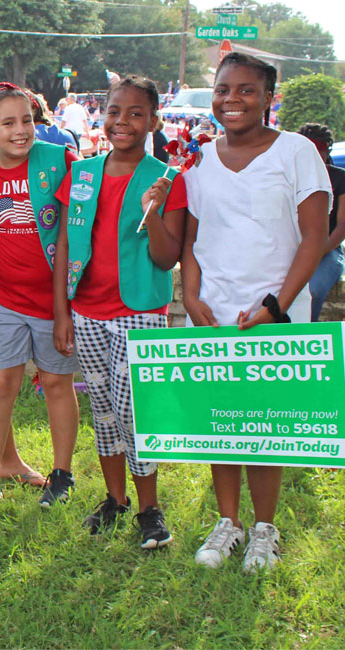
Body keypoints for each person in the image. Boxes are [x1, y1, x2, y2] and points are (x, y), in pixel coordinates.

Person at [183, 53, 330, 573]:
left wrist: (276, 306)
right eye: (223, 89)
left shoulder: (296, 152)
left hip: (275, 314)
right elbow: (192, 237)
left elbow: (314, 237)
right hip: (214, 313)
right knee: (221, 423)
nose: (232, 99)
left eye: (246, 90)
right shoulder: (201, 158)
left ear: (269, 97)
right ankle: (228, 522)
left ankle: (265, 528)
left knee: (266, 424)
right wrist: (192, 298)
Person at [52, 75, 187, 548]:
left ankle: (150, 507)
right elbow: (65, 243)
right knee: (103, 409)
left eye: (135, 113)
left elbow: (166, 257)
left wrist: (154, 212)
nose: (122, 121)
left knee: (133, 412)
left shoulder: (166, 178)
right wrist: (62, 311)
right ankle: (116, 499)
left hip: (139, 309)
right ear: (102, 116)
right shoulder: (82, 172)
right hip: (86, 309)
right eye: (114, 111)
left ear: (154, 121)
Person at [0, 83, 79, 510]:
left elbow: (77, 226)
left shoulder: (60, 161)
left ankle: (62, 475)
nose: (20, 130)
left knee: (56, 383)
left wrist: (65, 308)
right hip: (1, 296)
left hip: (53, 300)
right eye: (8, 123)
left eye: (27, 120)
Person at [297, 123, 345, 321]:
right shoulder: (290, 177)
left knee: (314, 290)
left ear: (326, 152)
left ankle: (307, 333)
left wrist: (318, 250)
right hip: (293, 246)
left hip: (328, 250)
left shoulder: (339, 177)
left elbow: (342, 226)